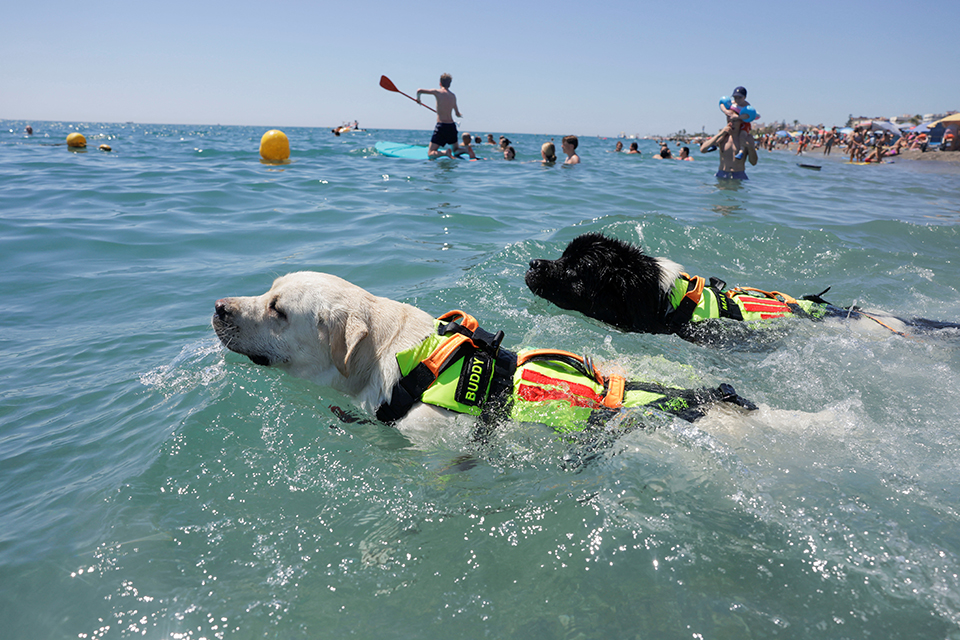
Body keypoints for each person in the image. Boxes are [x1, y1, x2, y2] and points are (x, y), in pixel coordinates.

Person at [417, 73, 463, 159]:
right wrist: (460, 115)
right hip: (452, 126)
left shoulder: (437, 92)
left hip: (442, 126)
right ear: (450, 84)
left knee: (430, 153)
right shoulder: (453, 96)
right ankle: (466, 150)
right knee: (456, 150)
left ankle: (445, 152)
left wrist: (418, 99)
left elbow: (419, 90)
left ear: (440, 83)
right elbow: (457, 113)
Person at [719, 86, 752, 160]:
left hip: (744, 123)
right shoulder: (732, 103)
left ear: (744, 97)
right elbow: (721, 104)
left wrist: (737, 117)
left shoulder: (747, 106)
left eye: (739, 97)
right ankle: (715, 144)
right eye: (735, 97)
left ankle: (741, 151)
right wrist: (726, 111)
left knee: (742, 136)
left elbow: (748, 115)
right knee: (725, 132)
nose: (737, 100)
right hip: (734, 123)